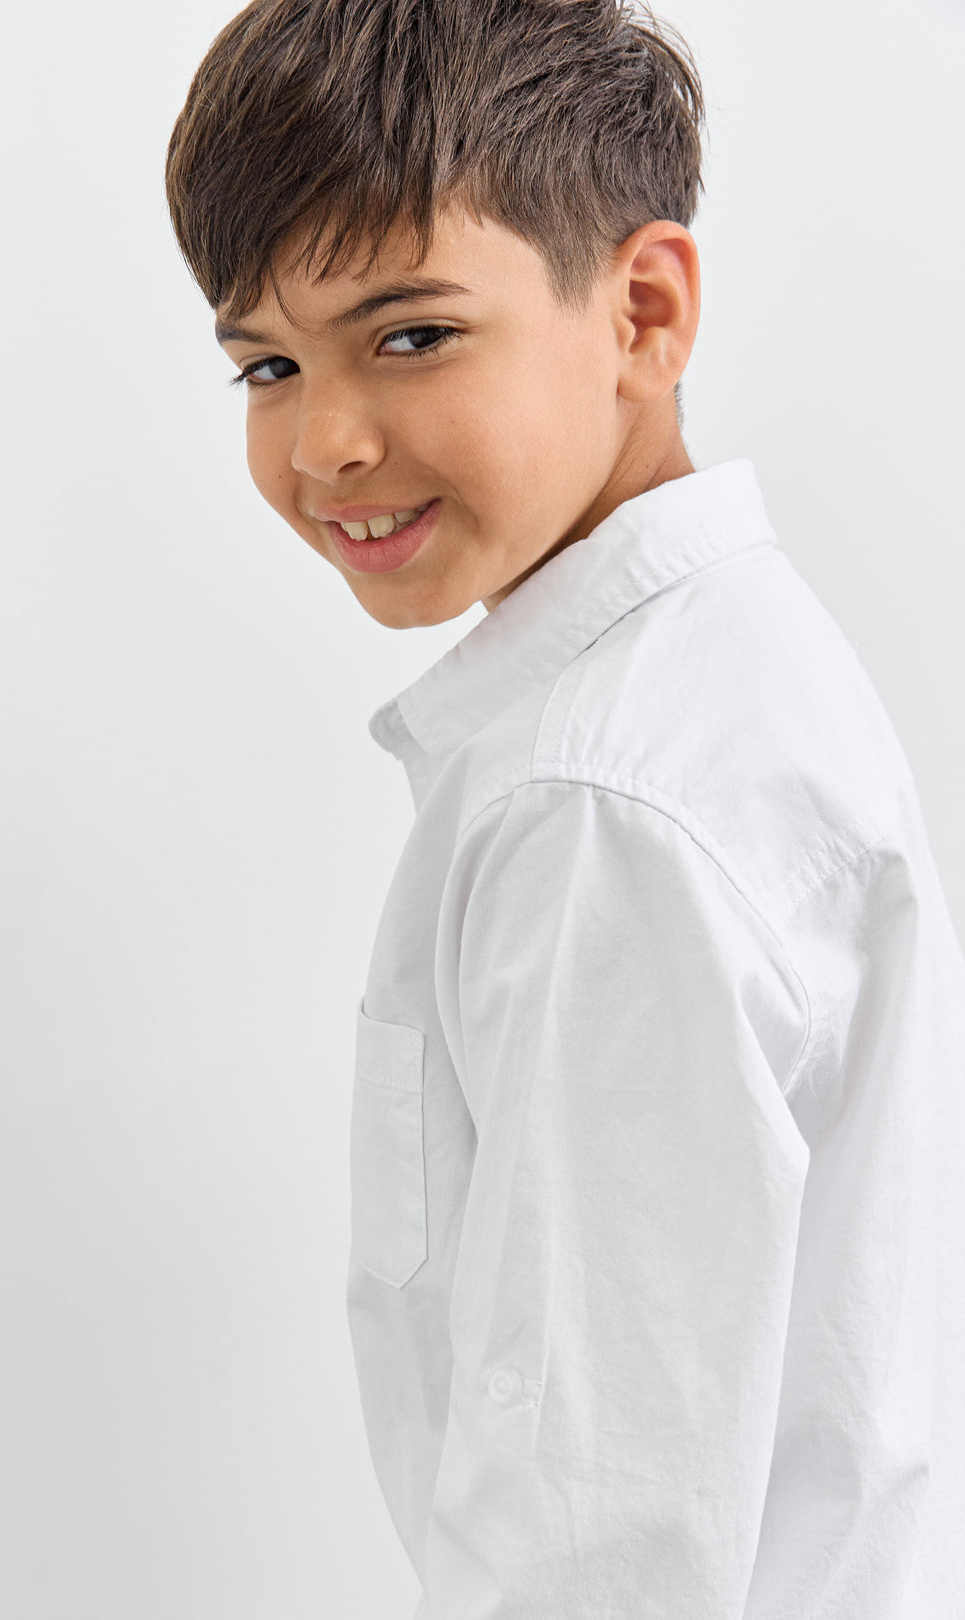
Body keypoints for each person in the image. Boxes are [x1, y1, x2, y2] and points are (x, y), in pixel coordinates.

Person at [163, 2, 965, 1613]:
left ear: (643, 312)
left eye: (410, 335)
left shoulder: (601, 801)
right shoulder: (713, 680)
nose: (326, 441)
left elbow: (600, 1535)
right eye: (269, 364)